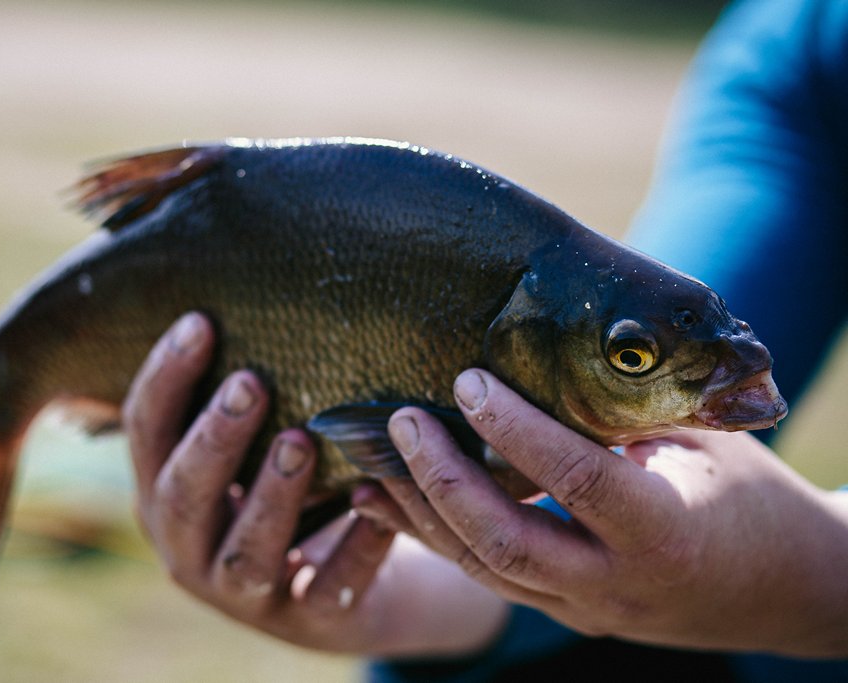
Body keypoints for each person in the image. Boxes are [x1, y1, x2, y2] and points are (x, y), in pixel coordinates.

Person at [123, 0, 848, 679]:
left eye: (633, 357)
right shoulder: (805, 46)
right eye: (633, 357)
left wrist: (818, 566)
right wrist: (402, 597)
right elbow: (630, 479)